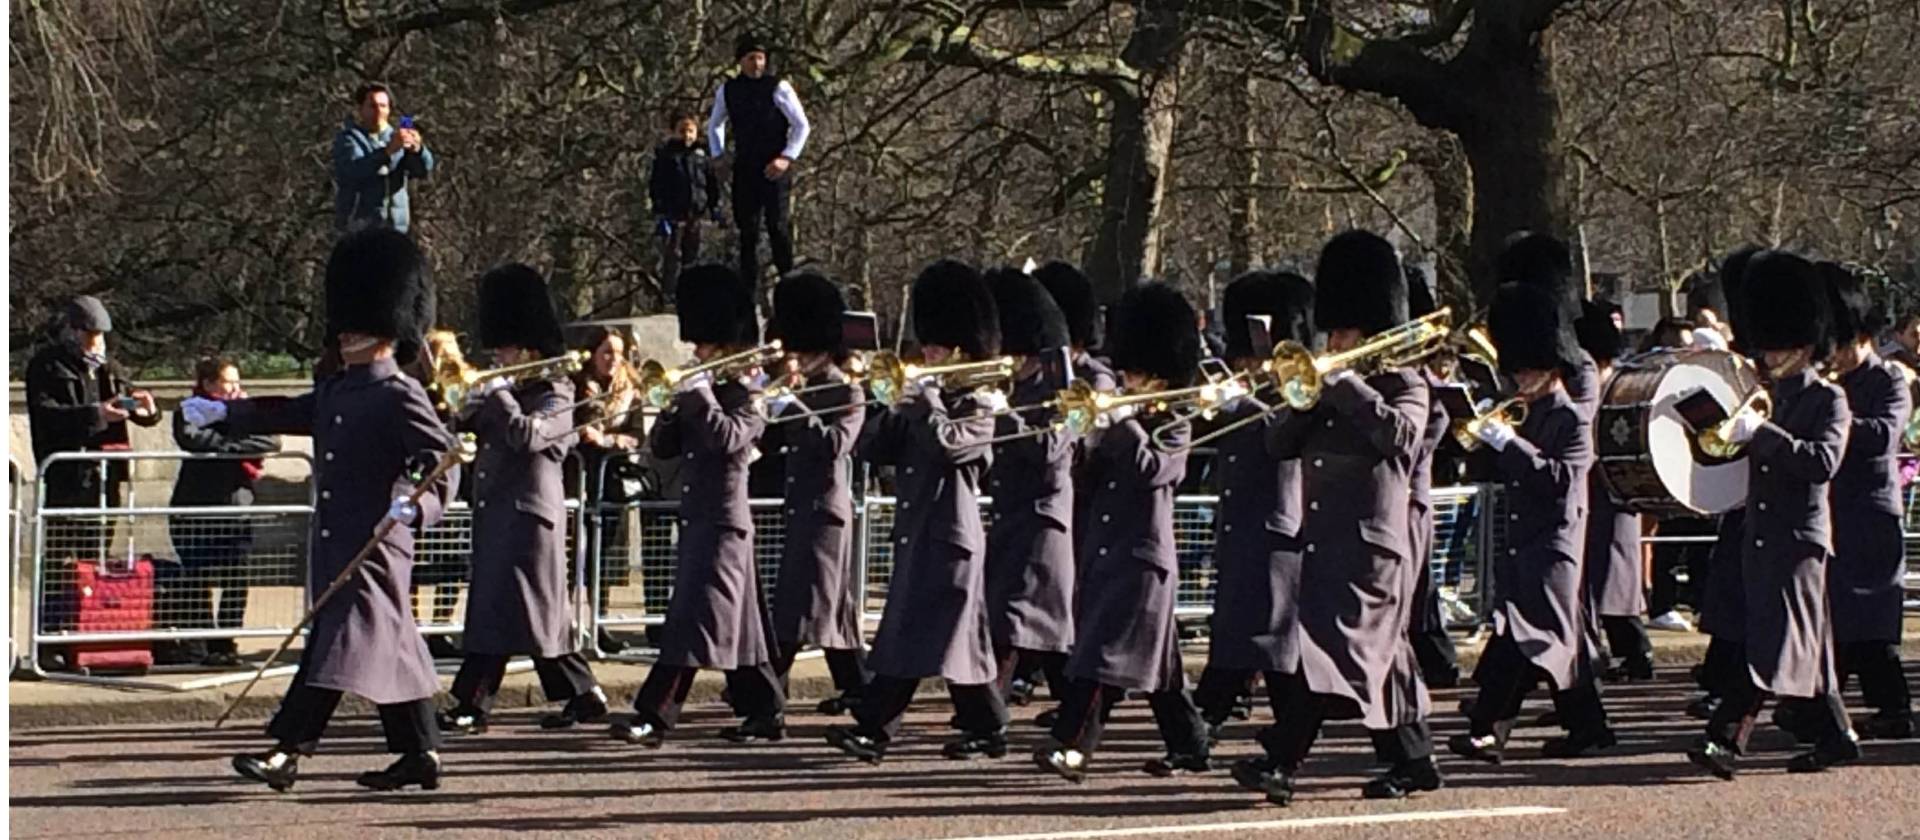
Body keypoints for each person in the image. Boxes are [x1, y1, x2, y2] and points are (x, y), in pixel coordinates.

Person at [185, 228, 456, 792]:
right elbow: (288, 410)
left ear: (386, 332)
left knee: (335, 643)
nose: (347, 333)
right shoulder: (340, 388)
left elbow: (442, 461)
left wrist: (414, 504)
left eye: (358, 326)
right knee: (392, 647)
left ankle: (288, 751)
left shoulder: (400, 392)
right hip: (337, 540)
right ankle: (420, 751)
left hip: (376, 542)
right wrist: (221, 413)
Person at [1231, 231, 1440, 806]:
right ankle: (1413, 759)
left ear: (1371, 333)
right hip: (1327, 542)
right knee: (1378, 655)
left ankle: (1281, 760)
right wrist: (1301, 398)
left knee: (1330, 656)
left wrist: (1344, 384)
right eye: (1334, 330)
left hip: (1371, 547)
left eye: (1345, 332)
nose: (1334, 340)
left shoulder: (1405, 384)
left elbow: (1399, 439)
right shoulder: (1327, 391)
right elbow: (1279, 446)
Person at [825, 259, 1009, 762]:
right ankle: (987, 726)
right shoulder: (927, 402)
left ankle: (877, 729)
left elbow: (952, 447)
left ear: (960, 349)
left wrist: (926, 403)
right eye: (927, 344)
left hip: (951, 537)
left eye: (936, 346)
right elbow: (869, 450)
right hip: (920, 532)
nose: (926, 354)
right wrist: (888, 406)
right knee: (931, 638)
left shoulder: (981, 404)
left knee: (938, 640)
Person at [1686, 249, 1860, 779]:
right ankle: (1836, 737)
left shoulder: (1829, 401)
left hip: (1799, 541)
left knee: (1771, 643)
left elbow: (1821, 462)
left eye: (1778, 346)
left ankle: (1726, 741)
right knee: (1799, 642)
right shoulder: (1764, 394)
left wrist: (1761, 434)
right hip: (1762, 536)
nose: (1767, 354)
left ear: (1805, 346)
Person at [1035, 281, 1211, 781]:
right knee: (1160, 668)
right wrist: (1086, 441)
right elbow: (1090, 484)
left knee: (1100, 659)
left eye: (1137, 375)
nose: (1128, 381)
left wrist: (1122, 422)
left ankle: (1073, 747)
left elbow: (1155, 471)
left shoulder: (1177, 420)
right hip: (1108, 551)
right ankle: (1190, 742)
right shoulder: (1123, 417)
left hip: (1142, 559)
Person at [610, 264, 787, 747]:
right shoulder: (703, 390)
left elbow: (727, 439)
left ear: (727, 345)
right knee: (741, 625)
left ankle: (656, 714)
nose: (697, 352)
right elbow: (666, 449)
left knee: (691, 618)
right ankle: (765, 709)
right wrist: (670, 410)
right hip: (703, 517)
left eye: (705, 345)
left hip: (724, 520)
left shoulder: (752, 393)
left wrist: (698, 395)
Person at [1449, 283, 1616, 764]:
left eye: (1529, 368)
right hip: (1526, 539)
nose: (1520, 377)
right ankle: (1589, 727)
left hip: (1556, 542)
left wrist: (1510, 445)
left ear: (1553, 366)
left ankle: (1488, 731)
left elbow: (1562, 478)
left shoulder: (1573, 418)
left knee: (1523, 640)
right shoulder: (1526, 412)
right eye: (1517, 368)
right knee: (1551, 640)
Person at [439, 265, 609, 736]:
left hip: (531, 520)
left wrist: (498, 396)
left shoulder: (558, 393)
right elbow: (469, 427)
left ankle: (475, 703)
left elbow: (528, 437)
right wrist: (463, 404)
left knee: (528, 613)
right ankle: (583, 694)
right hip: (499, 514)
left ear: (529, 349)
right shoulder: (510, 392)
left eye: (506, 348)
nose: (498, 356)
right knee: (511, 612)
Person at [1191, 271, 1313, 734]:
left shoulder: (1294, 387)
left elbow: (1281, 435)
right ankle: (1207, 725)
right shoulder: (1249, 389)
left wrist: (1238, 406)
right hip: (1240, 523)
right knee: (1241, 632)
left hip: (1277, 526)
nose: (1245, 366)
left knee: (1273, 641)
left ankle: (1275, 735)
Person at [764, 271, 870, 715]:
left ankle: (766, 690)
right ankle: (859, 686)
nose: (796, 358)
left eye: (802, 350)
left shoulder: (847, 389)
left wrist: (795, 407)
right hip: (804, 505)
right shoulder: (802, 386)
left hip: (826, 511)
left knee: (800, 604)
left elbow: (834, 445)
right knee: (830, 607)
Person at [1821, 263, 1914, 740]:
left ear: (1861, 337)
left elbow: (1881, 436)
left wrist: (1830, 419)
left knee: (1870, 619)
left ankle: (1893, 707)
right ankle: (1824, 706)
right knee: (1835, 616)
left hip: (1871, 513)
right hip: (1834, 509)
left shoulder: (1890, 381)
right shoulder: (1827, 382)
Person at [980, 267, 1078, 708]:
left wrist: (1003, 416)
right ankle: (1073, 712)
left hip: (1041, 523)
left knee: (1012, 624)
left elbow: (1050, 452)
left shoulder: (1061, 392)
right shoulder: (1013, 388)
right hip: (1011, 517)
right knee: (1048, 634)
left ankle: (988, 719)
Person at [25, 296, 162, 575]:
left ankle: (91, 611)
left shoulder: (109, 366)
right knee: (61, 556)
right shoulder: (47, 365)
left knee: (98, 552)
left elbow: (131, 406)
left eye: (100, 335)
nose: (96, 342)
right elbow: (46, 414)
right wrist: (97, 414)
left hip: (107, 470)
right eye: (90, 334)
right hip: (68, 473)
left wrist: (146, 409)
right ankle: (54, 615)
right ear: (73, 331)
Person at [163, 356, 279, 668]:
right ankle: (203, 642)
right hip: (195, 507)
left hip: (236, 508)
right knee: (199, 576)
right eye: (229, 381)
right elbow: (192, 439)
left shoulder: (246, 409)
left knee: (236, 577)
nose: (236, 387)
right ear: (210, 383)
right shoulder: (190, 409)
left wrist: (223, 447)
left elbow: (270, 440)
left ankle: (226, 642)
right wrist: (235, 443)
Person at [1574, 301, 1654, 680]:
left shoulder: (1619, 383)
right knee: (1599, 578)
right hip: (1593, 490)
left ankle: (1636, 652)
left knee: (1614, 577)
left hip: (1614, 487)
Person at [709, 31, 811, 286]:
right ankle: (747, 289)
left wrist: (786, 157)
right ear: (741, 61)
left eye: (761, 58)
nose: (757, 64)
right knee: (747, 231)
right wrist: (718, 154)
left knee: (777, 227)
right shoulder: (728, 90)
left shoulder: (778, 87)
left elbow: (801, 125)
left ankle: (790, 282)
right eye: (752, 58)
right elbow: (714, 125)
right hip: (746, 166)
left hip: (774, 166)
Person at [1401, 266, 1461, 689]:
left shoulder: (1423, 386)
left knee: (1417, 592)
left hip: (1408, 497)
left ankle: (1438, 665)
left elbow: (1422, 436)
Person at [572, 326, 646, 654]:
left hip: (613, 481)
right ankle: (571, 621)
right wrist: (598, 436)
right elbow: (583, 431)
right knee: (578, 554)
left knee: (605, 556)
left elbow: (636, 435)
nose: (613, 360)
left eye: (618, 353)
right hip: (581, 480)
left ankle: (600, 623)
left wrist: (610, 439)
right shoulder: (580, 388)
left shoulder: (630, 391)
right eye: (606, 352)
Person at [332, 83, 434, 235]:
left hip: (396, 228)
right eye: (372, 106)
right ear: (360, 109)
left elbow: (422, 171)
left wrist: (418, 150)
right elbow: (354, 170)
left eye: (383, 106)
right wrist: (387, 153)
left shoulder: (397, 137)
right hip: (360, 228)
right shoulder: (349, 140)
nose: (379, 111)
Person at [650, 111, 724, 288]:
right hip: (673, 214)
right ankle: (670, 294)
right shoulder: (665, 156)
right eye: (682, 130)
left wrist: (715, 207)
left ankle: (693, 292)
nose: (687, 135)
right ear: (673, 131)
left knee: (694, 256)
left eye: (690, 131)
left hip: (696, 213)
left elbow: (712, 184)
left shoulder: (702, 156)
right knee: (673, 255)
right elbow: (656, 185)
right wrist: (660, 211)